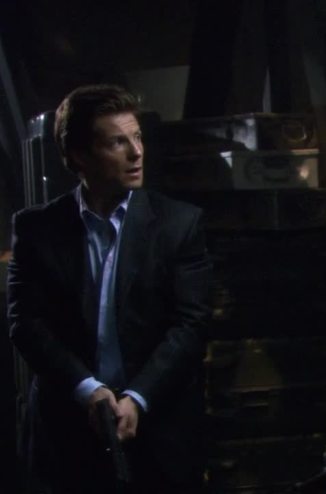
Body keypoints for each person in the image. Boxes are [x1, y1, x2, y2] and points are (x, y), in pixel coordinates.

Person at [6, 85, 212, 493]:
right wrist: (88, 390)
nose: (136, 153)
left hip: (159, 431)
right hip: (65, 434)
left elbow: (191, 324)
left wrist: (138, 397)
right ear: (79, 156)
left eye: (137, 137)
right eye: (117, 142)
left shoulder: (178, 224)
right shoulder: (37, 229)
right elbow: (25, 323)